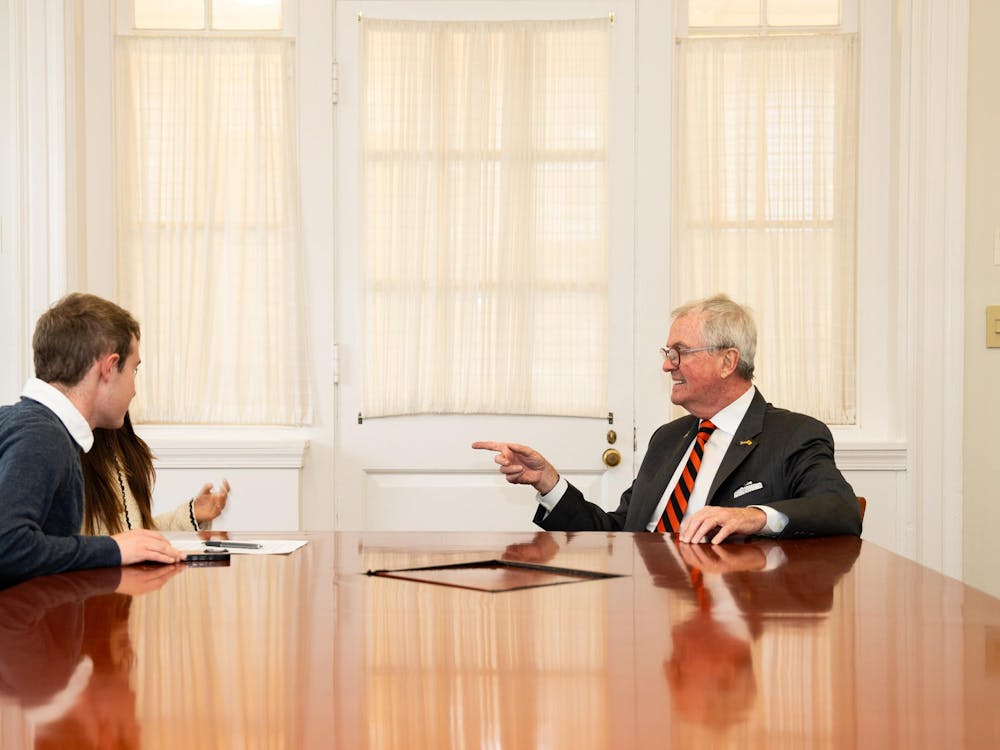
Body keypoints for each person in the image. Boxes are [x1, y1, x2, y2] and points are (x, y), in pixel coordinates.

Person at [473, 294, 862, 543]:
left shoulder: (793, 435)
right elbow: (619, 535)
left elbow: (839, 508)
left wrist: (754, 516)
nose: (666, 365)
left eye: (679, 352)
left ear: (728, 361)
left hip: (723, 618)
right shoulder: (668, 439)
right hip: (641, 604)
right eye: (667, 352)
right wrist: (548, 483)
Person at [0, 292, 185, 588]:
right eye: (134, 370)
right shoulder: (43, 436)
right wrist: (114, 549)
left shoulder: (30, 424)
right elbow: (7, 547)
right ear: (109, 367)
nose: (134, 389)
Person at [80, 412, 230, 535]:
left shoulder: (123, 449)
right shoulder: (73, 455)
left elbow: (140, 535)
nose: (134, 391)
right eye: (131, 373)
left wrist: (192, 514)